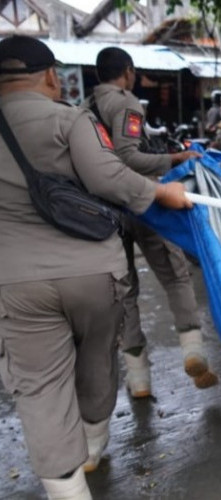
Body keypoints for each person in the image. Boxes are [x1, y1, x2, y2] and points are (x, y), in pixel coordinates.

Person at [0, 35, 193, 499]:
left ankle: (68, 489)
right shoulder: (69, 119)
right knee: (97, 359)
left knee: (41, 387)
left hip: (14, 281)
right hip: (92, 272)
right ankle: (92, 442)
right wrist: (164, 192)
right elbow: (109, 175)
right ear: (50, 75)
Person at [86, 46, 218, 399]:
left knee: (124, 290)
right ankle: (193, 350)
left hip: (104, 212)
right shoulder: (126, 102)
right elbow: (127, 155)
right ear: (127, 71)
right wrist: (175, 157)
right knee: (175, 274)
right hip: (141, 202)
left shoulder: (83, 110)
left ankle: (139, 377)